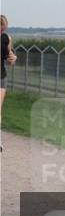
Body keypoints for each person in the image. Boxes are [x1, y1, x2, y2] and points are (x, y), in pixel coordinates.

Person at [1, 14, 16, 151]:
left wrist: (12, 58)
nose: (2, 32)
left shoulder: (5, 38)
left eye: (3, 29)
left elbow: (9, 57)